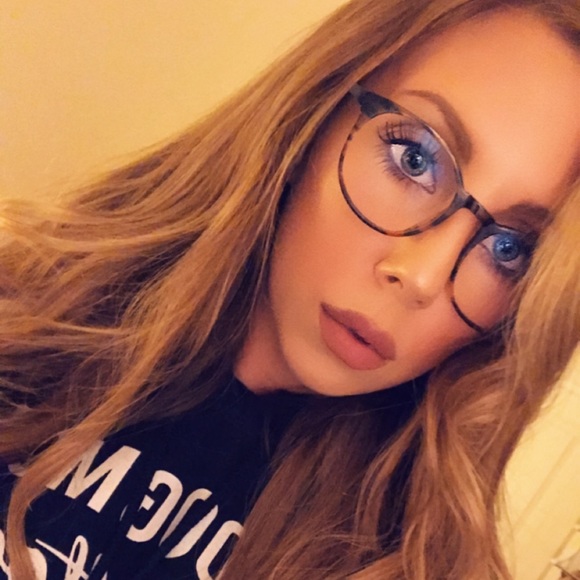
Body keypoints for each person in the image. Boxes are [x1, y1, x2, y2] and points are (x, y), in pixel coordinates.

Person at [0, 0, 578, 578]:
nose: (422, 277)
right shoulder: (23, 318)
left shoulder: (403, 559)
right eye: (414, 159)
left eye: (510, 248)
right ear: (314, 112)